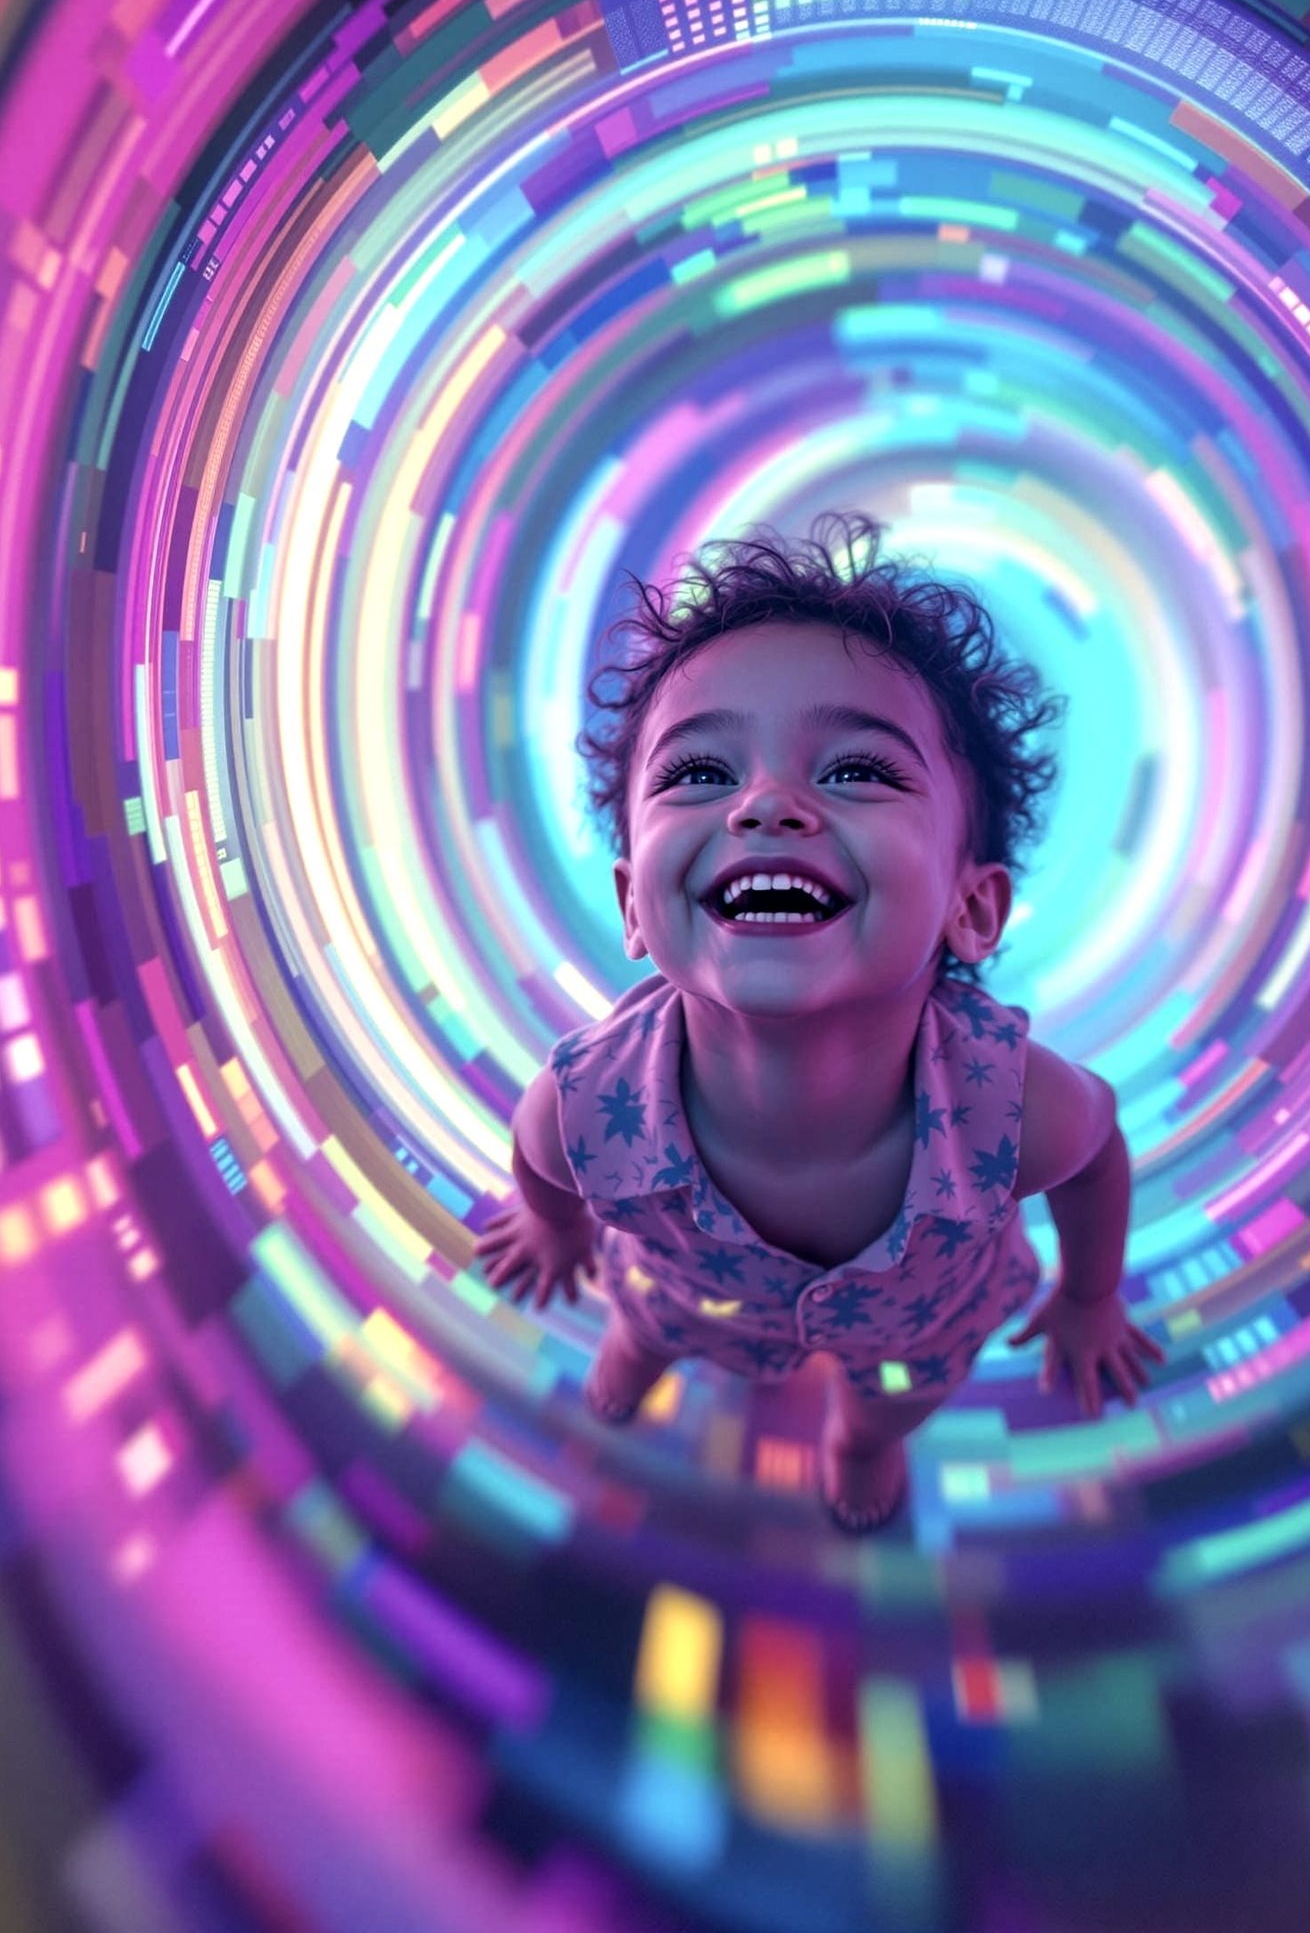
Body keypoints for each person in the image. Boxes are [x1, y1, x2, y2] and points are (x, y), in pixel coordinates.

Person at [479, 513, 1163, 1532]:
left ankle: (861, 1437)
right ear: (633, 905)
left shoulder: (1009, 1105)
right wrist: (555, 1220)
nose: (765, 804)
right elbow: (540, 1159)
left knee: (895, 1392)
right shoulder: (586, 1101)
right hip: (682, 1284)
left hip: (918, 1320)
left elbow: (1096, 1152)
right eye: (697, 772)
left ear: (968, 907)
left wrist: (1089, 1294)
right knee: (651, 1317)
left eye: (857, 770)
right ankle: (640, 1349)